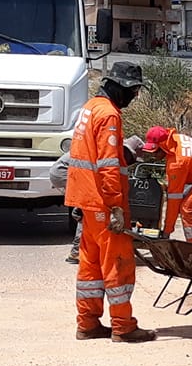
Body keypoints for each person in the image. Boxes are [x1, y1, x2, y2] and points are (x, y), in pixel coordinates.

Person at [64, 61, 156, 343]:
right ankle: (123, 326)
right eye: (133, 91)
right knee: (118, 263)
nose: (134, 97)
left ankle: (88, 323)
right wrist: (116, 205)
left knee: (90, 266)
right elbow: (107, 165)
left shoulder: (90, 108)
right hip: (104, 204)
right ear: (121, 88)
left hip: (86, 200)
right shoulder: (109, 115)